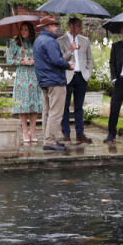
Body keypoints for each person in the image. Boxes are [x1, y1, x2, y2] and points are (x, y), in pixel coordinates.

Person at [33, 16, 73, 152]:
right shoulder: (50, 41)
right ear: (47, 26)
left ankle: (48, 139)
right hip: (55, 81)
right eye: (55, 25)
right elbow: (56, 60)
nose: (57, 27)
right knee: (56, 112)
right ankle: (49, 141)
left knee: (47, 112)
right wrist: (68, 65)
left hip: (44, 81)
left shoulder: (38, 40)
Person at [58, 17, 94, 144]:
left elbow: (90, 59)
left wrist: (88, 74)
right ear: (70, 26)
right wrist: (70, 50)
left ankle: (80, 134)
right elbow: (59, 60)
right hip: (67, 77)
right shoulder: (60, 41)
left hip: (81, 77)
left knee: (79, 107)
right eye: (78, 26)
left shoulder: (85, 41)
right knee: (65, 107)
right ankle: (66, 134)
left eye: (81, 26)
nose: (81, 28)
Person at [7, 22, 41, 144]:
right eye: (22, 29)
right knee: (23, 105)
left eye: (26, 29)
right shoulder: (14, 43)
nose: (23, 31)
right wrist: (22, 61)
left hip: (33, 76)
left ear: (30, 31)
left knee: (34, 104)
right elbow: (9, 60)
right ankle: (25, 131)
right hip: (22, 78)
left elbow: (41, 57)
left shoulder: (35, 43)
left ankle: (33, 131)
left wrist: (33, 61)